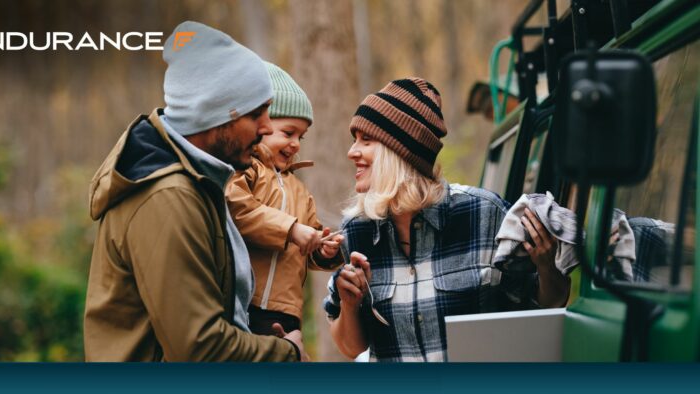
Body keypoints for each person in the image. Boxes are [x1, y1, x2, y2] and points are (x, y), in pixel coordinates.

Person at [84, 21, 306, 362]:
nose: (266, 128)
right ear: (216, 115)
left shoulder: (199, 183)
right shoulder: (168, 198)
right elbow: (199, 347)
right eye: (256, 113)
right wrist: (286, 354)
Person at [324, 77, 570, 362]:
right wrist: (350, 304)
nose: (351, 152)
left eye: (366, 140)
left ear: (400, 150)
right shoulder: (357, 233)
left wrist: (547, 266)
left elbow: (547, 304)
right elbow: (351, 348)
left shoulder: (484, 214)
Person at [226, 62, 344, 336]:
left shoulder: (299, 190)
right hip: (246, 306)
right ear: (261, 127)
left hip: (287, 310)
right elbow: (238, 209)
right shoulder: (247, 170)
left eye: (301, 136)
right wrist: (291, 229)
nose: (296, 144)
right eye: (288, 133)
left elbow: (309, 239)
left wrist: (325, 250)